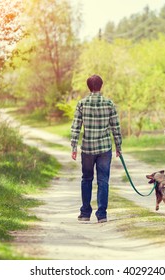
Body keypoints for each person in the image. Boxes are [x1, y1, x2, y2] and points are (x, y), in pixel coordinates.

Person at [71, 75, 122, 223]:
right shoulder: (109, 104)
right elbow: (116, 127)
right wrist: (118, 146)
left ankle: (85, 213)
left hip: (87, 148)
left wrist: (74, 146)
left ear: (88, 87)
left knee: (86, 179)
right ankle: (102, 214)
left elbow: (76, 126)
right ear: (101, 86)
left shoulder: (82, 104)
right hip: (104, 148)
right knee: (103, 180)